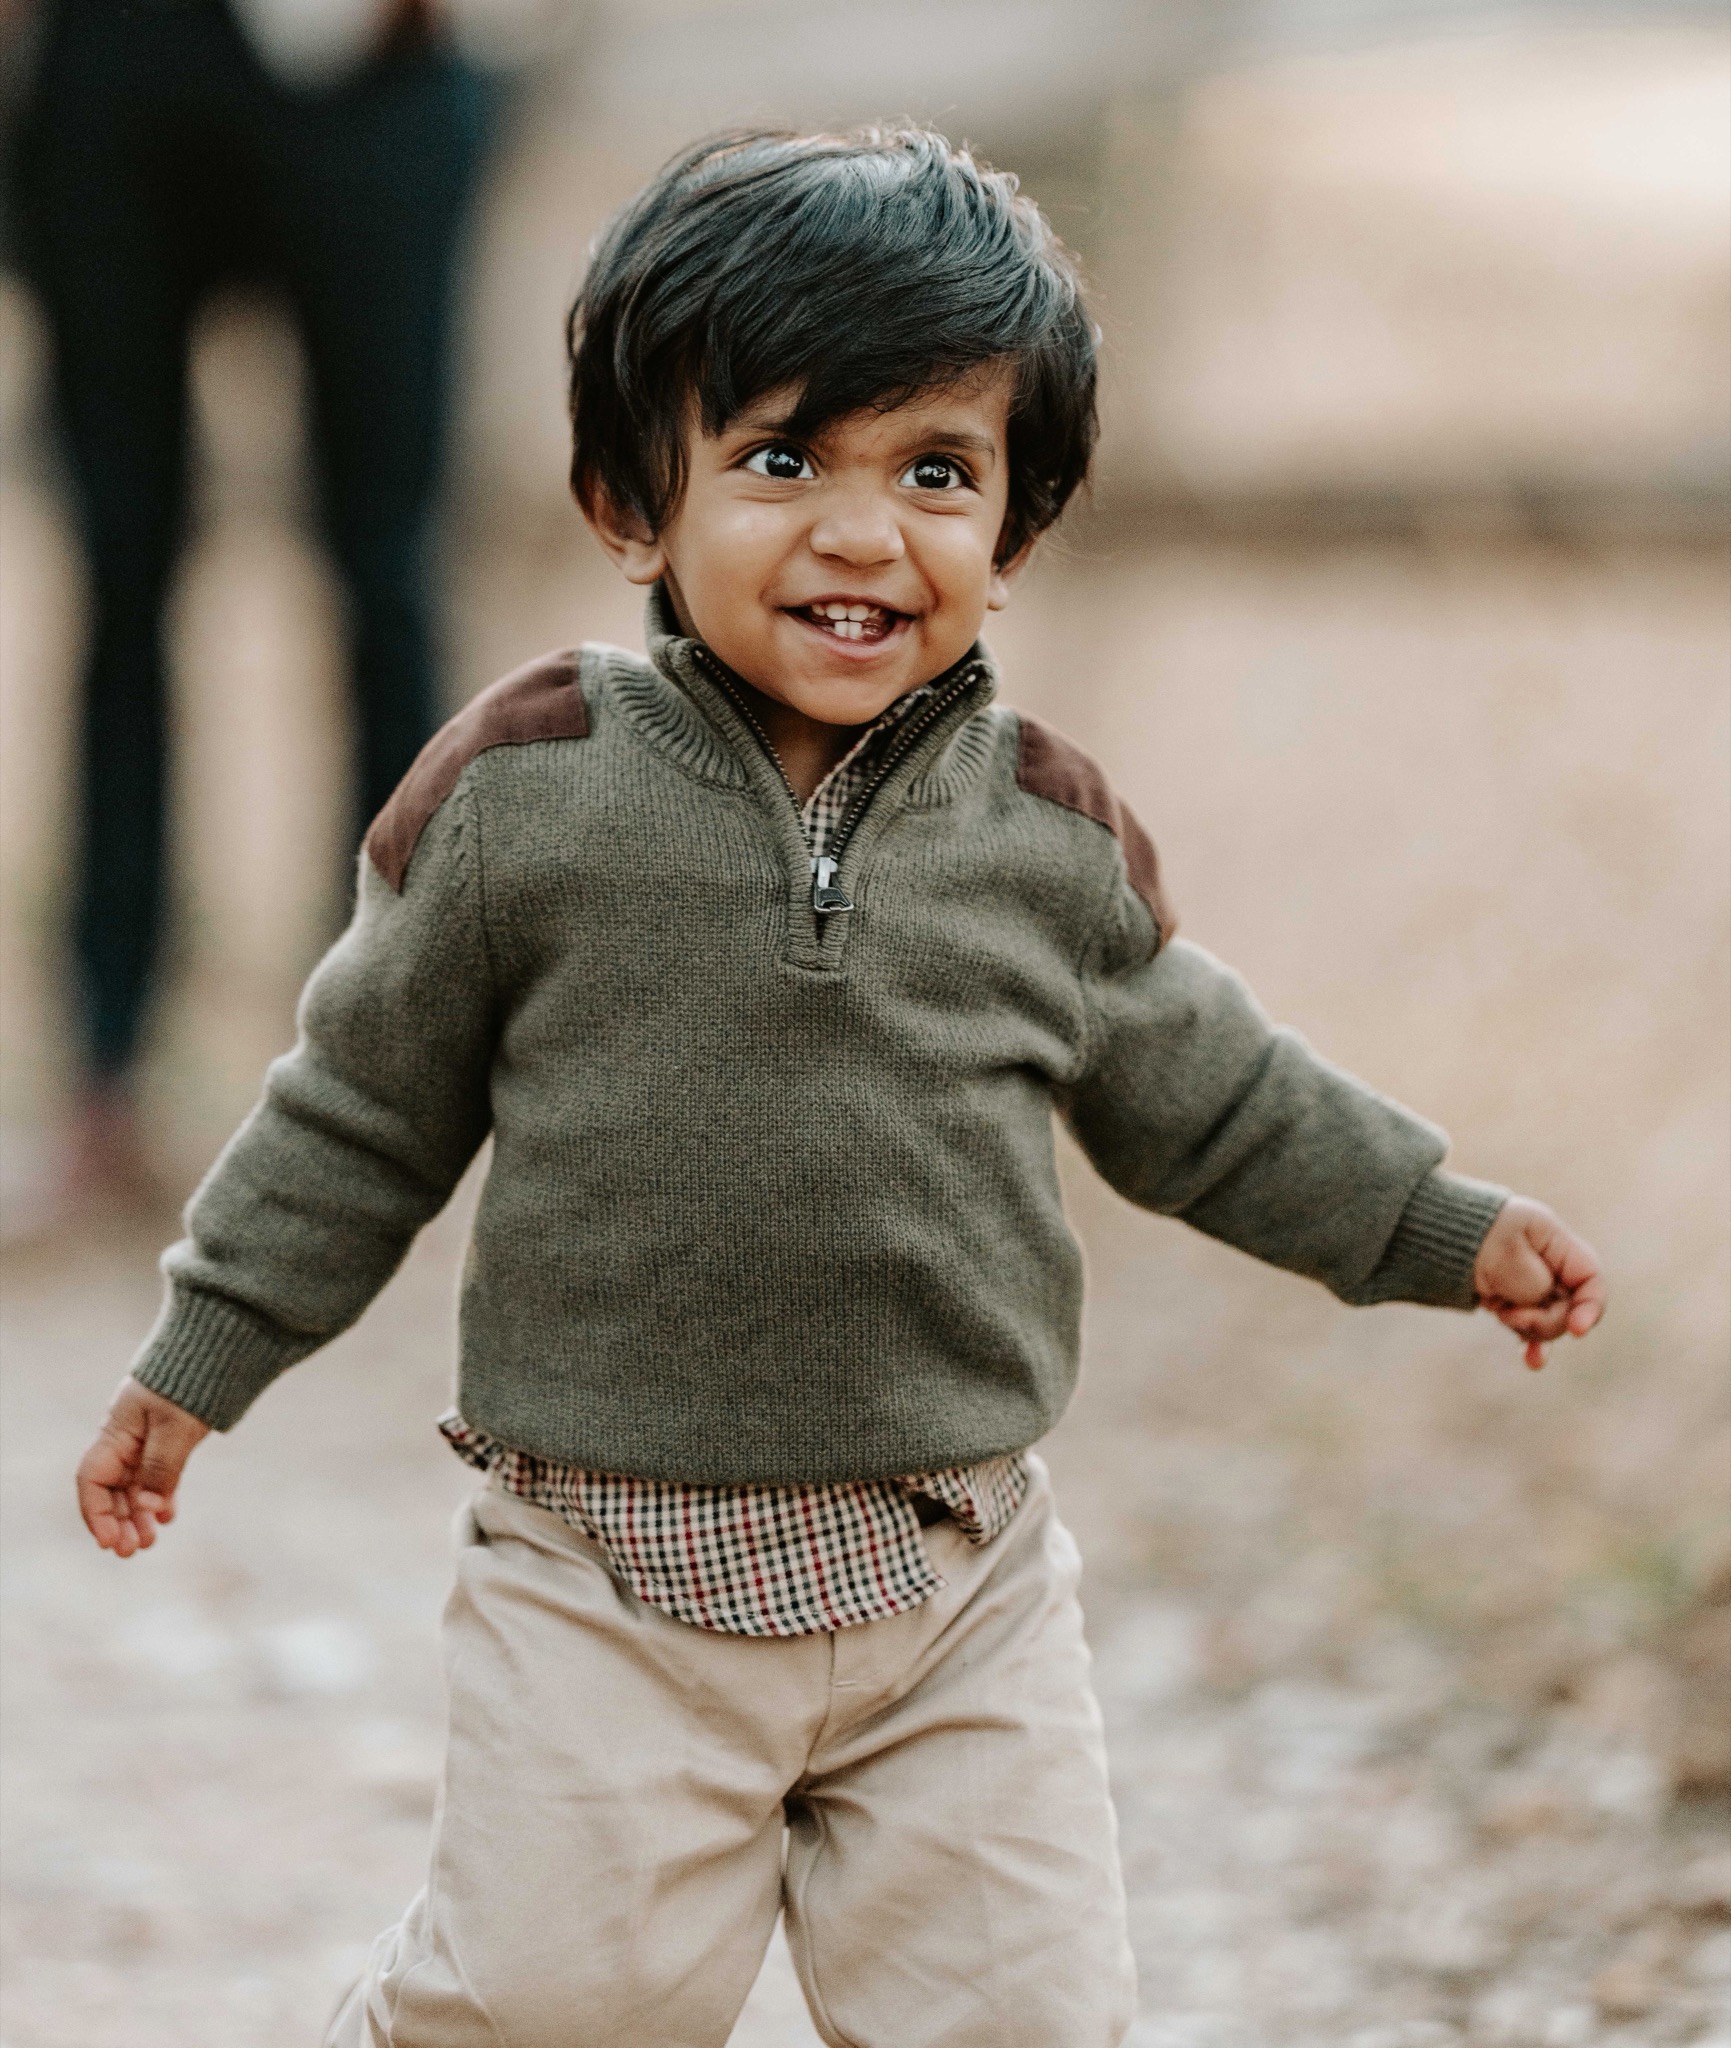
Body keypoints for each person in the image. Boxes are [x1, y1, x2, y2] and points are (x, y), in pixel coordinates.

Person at [73, 129, 1605, 2047]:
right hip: (604, 1571)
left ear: (1015, 531)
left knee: (1018, 2017)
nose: (865, 532)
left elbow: (1211, 1097)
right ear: (638, 497)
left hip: (950, 1585)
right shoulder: (525, 790)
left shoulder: (1046, 837)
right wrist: (202, 1351)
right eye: (783, 459)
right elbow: (358, 1108)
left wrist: (1433, 1224)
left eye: (938, 473)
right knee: (557, 2002)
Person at [6, 0, 491, 1203]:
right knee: (119, 571)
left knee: (388, 574)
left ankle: (392, 1080)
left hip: (381, 56)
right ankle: (104, 1076)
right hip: (111, 54)